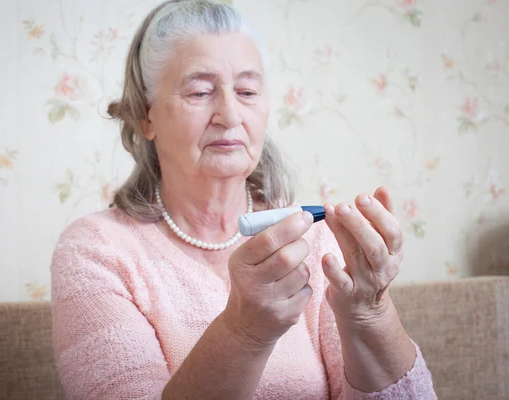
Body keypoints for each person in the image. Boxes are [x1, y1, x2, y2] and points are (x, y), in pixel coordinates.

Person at [50, 1, 436, 398]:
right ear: (146, 116)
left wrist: (370, 312)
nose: (230, 115)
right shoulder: (96, 251)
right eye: (200, 91)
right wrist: (243, 329)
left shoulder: (314, 240)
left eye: (247, 91)